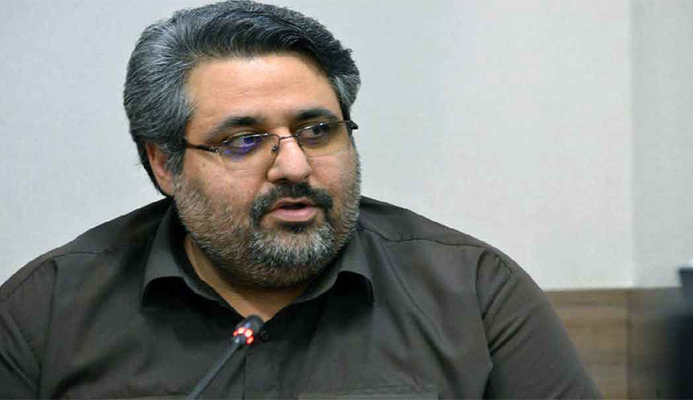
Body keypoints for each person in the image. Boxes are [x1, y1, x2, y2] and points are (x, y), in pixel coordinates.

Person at [0, 1, 600, 398]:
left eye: (317, 130)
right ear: (164, 163)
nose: (294, 166)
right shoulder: (47, 311)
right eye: (243, 140)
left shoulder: (473, 293)